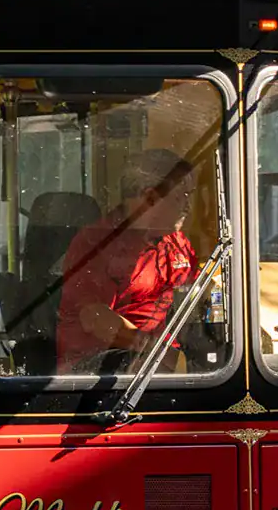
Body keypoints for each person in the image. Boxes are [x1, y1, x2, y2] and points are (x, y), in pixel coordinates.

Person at [55, 149, 199, 372]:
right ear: (151, 198)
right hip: (97, 365)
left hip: (161, 357)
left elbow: (197, 298)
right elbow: (95, 318)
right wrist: (156, 350)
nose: (188, 207)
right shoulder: (96, 243)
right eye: (182, 197)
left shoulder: (177, 242)